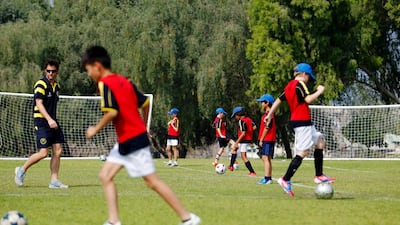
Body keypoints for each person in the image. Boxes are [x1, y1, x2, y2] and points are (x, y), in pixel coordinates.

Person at [81, 46, 200, 225]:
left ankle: (188, 218)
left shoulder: (105, 84)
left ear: (97, 65)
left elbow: (112, 112)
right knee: (105, 175)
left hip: (132, 140)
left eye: (88, 70)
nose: (89, 74)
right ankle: (113, 221)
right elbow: (145, 103)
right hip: (128, 139)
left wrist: (94, 129)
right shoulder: (124, 81)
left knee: (152, 182)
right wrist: (143, 125)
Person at [266, 62, 336, 197]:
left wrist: (270, 114)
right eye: (309, 77)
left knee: (320, 141)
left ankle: (319, 175)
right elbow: (308, 99)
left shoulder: (289, 86)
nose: (309, 80)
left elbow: (278, 101)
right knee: (302, 152)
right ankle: (285, 179)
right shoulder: (300, 84)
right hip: (302, 121)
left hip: (304, 122)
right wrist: (320, 91)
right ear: (304, 74)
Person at [14, 59, 68, 189]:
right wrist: (49, 119)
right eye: (48, 71)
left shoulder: (57, 86)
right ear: (45, 71)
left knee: (58, 151)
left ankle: (54, 180)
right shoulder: (40, 84)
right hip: (42, 122)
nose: (50, 73)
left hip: (53, 122)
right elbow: (39, 103)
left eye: (53, 71)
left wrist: (52, 120)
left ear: (57, 72)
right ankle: (21, 170)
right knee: (44, 153)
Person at [229, 107, 257, 176]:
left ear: (238, 114)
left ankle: (252, 172)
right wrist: (249, 132)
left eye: (235, 115)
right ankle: (231, 166)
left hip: (244, 140)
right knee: (234, 149)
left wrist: (236, 142)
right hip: (247, 139)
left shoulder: (241, 121)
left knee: (243, 156)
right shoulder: (249, 119)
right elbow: (254, 127)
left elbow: (243, 133)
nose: (235, 117)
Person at [256, 94, 276, 185]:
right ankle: (268, 178)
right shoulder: (267, 114)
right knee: (266, 158)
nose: (261, 104)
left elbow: (267, 127)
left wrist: (261, 139)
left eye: (262, 102)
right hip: (268, 139)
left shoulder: (269, 115)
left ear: (267, 103)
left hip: (267, 139)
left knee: (265, 158)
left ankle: (267, 178)